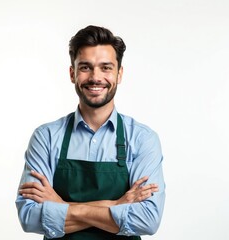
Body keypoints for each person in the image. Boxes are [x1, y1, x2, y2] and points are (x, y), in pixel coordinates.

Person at [15, 25, 165, 240]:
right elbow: (29, 217)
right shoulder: (46, 137)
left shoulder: (142, 139)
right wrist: (115, 205)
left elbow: (147, 220)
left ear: (119, 74)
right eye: (85, 67)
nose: (96, 77)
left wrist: (62, 206)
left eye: (106, 68)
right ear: (72, 74)